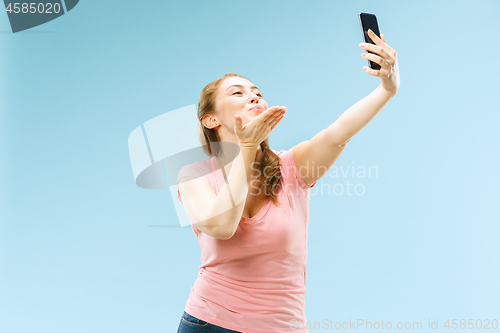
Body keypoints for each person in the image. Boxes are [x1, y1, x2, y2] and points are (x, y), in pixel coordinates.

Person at [176, 30, 399, 333]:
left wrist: (387, 88)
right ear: (211, 120)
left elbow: (339, 132)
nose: (253, 95)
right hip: (208, 322)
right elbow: (221, 226)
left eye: (256, 91)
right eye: (237, 93)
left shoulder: (291, 167)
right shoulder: (194, 175)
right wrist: (247, 149)